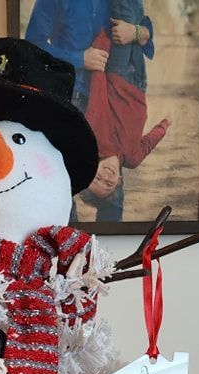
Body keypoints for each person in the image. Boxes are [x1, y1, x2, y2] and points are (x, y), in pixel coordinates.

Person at [25, 0, 122, 220]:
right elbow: (33, 44)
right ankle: (69, 245)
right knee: (64, 178)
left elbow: (140, 24)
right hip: (71, 96)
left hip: (109, 96)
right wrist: (79, 58)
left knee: (112, 184)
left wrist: (138, 32)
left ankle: (117, 251)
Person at [82, 1, 169, 217]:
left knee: (124, 16)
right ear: (119, 182)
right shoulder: (131, 159)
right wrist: (165, 124)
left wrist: (102, 47)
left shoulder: (97, 140)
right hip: (139, 85)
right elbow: (148, 142)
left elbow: (98, 97)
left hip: (116, 75)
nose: (106, 177)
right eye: (109, 185)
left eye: (97, 178)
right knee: (136, 20)